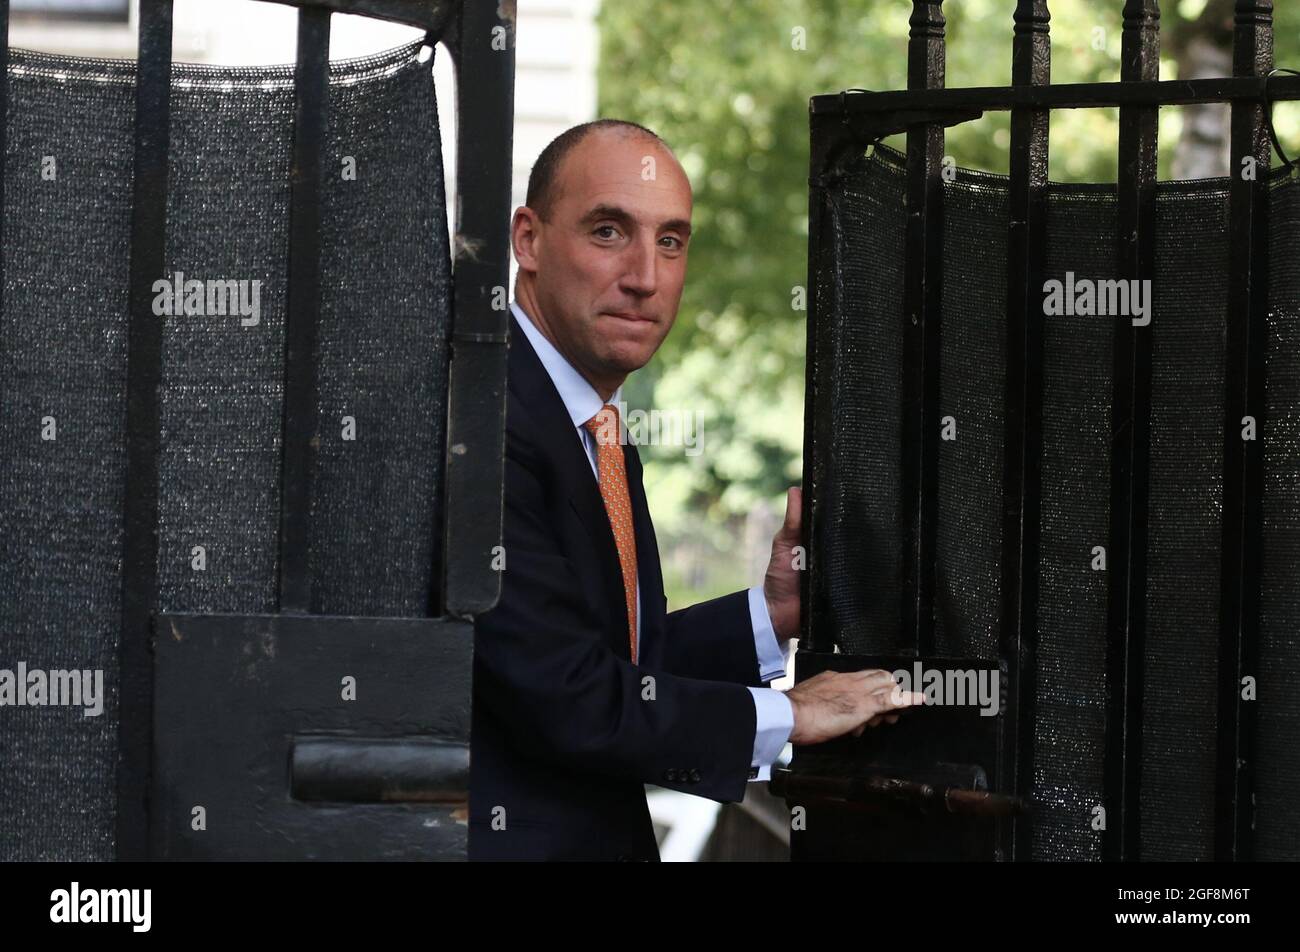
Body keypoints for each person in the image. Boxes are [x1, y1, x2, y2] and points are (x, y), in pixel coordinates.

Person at [468, 119, 920, 861]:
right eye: (609, 231)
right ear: (529, 240)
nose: (646, 274)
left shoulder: (590, 423)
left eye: (671, 241)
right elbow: (569, 700)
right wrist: (789, 714)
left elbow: (608, 669)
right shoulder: (487, 419)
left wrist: (768, 617)